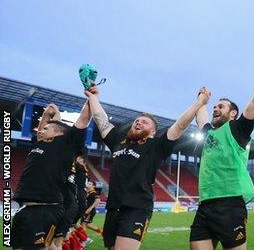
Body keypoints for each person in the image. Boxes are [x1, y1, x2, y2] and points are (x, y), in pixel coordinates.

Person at [85, 83, 200, 250]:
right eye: (137, 121)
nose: (138, 122)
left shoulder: (156, 146)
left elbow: (180, 125)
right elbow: (100, 119)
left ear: (153, 132)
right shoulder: (119, 141)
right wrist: (93, 97)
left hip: (137, 208)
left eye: (145, 123)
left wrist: (198, 103)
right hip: (113, 208)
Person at [189, 55, 254, 250]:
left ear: (232, 113)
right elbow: (200, 116)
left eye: (220, 106)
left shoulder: (238, 129)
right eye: (215, 106)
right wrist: (202, 100)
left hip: (230, 205)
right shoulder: (208, 132)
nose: (216, 108)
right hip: (205, 205)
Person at [11, 102, 90, 249]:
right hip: (25, 208)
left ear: (59, 134)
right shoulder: (41, 144)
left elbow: (84, 118)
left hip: (45, 209)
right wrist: (47, 114)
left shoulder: (66, 145)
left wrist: (91, 96)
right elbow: (48, 127)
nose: (40, 131)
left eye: (46, 129)